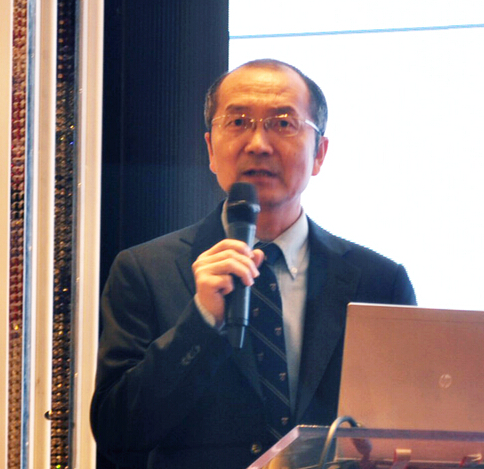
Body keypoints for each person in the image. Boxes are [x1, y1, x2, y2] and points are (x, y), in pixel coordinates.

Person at [91, 58, 417, 469]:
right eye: (238, 122)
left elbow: (410, 432)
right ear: (211, 150)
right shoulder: (145, 271)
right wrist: (201, 321)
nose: (258, 143)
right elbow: (118, 435)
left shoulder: (380, 282)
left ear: (320, 153)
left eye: (283, 123)